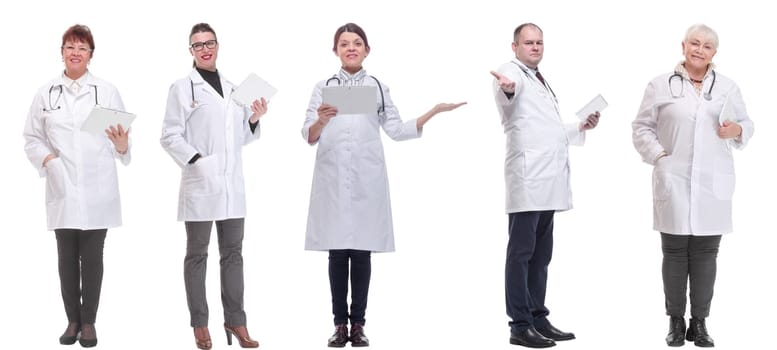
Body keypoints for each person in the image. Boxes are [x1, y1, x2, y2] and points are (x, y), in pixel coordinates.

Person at [301, 22, 465, 348]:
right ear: (335, 50)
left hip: (366, 180)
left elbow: (397, 130)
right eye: (344, 44)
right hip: (333, 179)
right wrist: (321, 119)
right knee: (337, 253)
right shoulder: (323, 86)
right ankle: (339, 325)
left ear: (366, 49)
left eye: (357, 43)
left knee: (361, 253)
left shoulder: (377, 86)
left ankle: (358, 325)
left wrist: (432, 112)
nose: (351, 48)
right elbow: (308, 134)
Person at [632, 23, 753, 348]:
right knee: (673, 253)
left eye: (707, 46)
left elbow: (747, 123)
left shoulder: (727, 86)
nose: (700, 50)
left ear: (714, 53)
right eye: (695, 43)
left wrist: (737, 130)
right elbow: (641, 126)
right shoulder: (660, 84)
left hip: (712, 183)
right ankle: (675, 321)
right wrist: (659, 155)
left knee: (705, 254)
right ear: (683, 45)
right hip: (673, 177)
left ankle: (699, 323)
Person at [490, 23, 600, 348]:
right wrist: (507, 89)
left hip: (547, 180)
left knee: (541, 255)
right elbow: (508, 95)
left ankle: (538, 317)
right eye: (528, 42)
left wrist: (580, 126)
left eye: (539, 42)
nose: (535, 47)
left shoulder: (537, 77)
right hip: (528, 179)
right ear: (515, 46)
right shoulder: (511, 72)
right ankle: (519, 325)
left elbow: (546, 130)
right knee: (521, 253)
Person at [160, 22, 269, 350]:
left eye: (209, 42)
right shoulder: (182, 88)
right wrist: (196, 161)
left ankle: (236, 321)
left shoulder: (236, 88)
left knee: (233, 254)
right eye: (198, 45)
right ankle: (200, 324)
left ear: (218, 45)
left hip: (231, 186)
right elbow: (168, 135)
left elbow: (239, 138)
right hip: (200, 184)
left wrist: (253, 118)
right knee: (197, 254)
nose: (205, 48)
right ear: (190, 51)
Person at [22, 24, 131, 348]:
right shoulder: (46, 93)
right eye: (70, 47)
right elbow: (31, 137)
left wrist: (123, 144)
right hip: (62, 187)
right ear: (62, 52)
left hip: (98, 190)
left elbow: (119, 145)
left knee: (93, 258)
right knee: (66, 258)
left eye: (82, 48)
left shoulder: (106, 91)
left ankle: (89, 323)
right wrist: (49, 162)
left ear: (91, 55)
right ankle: (72, 319)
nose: (75, 53)